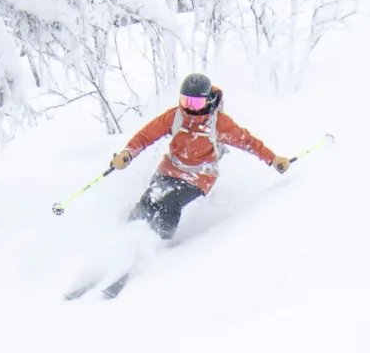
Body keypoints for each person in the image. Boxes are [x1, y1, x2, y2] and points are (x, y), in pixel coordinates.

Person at [109, 72, 290, 239]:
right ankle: (125, 239)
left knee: (170, 203)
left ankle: (158, 244)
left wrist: (273, 159)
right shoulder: (175, 117)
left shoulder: (218, 123)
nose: (190, 108)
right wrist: (127, 154)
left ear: (208, 101)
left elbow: (248, 142)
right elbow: (145, 136)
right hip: (170, 168)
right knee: (148, 201)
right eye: (185, 101)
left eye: (196, 103)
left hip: (199, 175)